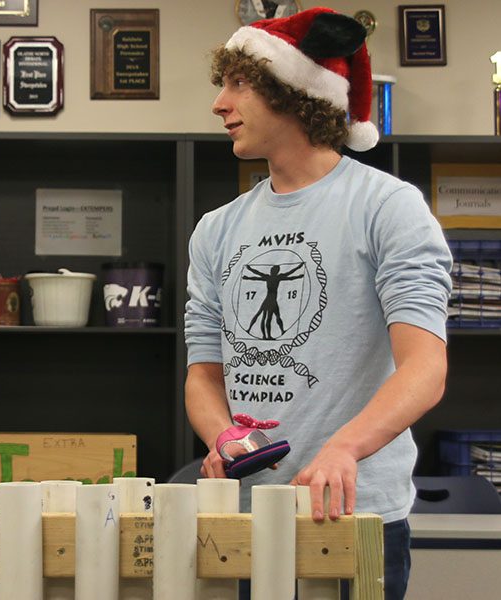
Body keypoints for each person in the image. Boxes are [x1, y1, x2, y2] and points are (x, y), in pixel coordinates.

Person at [184, 7, 451, 598]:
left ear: (294, 92)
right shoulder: (215, 230)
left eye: (239, 84)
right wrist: (223, 437)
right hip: (249, 519)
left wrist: (343, 449)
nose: (219, 104)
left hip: (355, 517)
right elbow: (203, 373)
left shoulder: (389, 208)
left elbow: (426, 370)